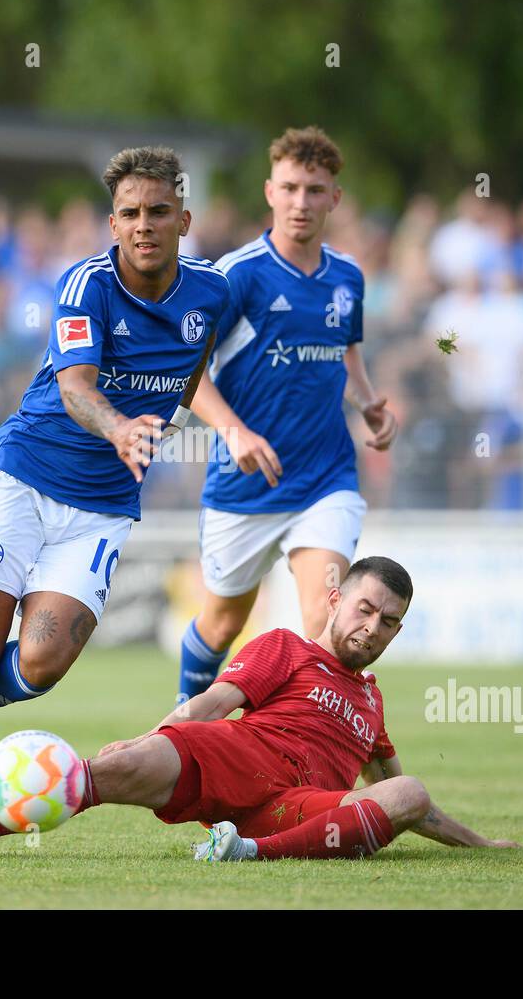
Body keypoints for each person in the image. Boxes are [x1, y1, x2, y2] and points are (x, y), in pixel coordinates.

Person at [0, 146, 228, 855]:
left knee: (42, 666)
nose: (144, 225)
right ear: (112, 222)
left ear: (183, 218)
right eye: (129, 214)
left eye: (158, 212)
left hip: (102, 506)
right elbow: (75, 388)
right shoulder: (85, 284)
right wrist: (122, 426)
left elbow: (194, 372)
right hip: (24, 477)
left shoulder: (212, 292)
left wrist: (185, 421)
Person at [0, 557, 519, 860]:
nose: (372, 628)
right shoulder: (285, 647)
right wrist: (147, 739)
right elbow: (213, 703)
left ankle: (246, 851)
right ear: (335, 600)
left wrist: (482, 844)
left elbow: (405, 801)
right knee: (96, 773)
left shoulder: (371, 702)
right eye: (365, 609)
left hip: (299, 808)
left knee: (410, 790)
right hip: (233, 757)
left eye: (389, 621)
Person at [174, 126, 397, 705]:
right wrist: (233, 429)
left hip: (326, 479)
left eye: (315, 190)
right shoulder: (237, 275)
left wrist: (369, 402)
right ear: (270, 191)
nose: (302, 202)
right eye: (292, 188)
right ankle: (184, 725)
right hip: (243, 486)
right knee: (221, 625)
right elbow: (186, 374)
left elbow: (345, 353)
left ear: (334, 200)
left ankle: (304, 761)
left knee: (324, 627)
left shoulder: (347, 277)